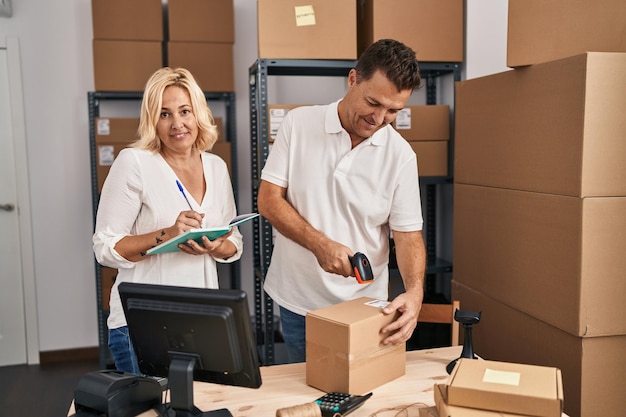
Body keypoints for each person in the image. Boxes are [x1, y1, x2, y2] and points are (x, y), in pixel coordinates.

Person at [258, 39, 426, 363]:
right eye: (373, 103)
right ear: (353, 79)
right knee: (303, 399)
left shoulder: (401, 156)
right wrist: (319, 243)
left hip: (364, 306)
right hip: (298, 301)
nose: (379, 118)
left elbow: (408, 237)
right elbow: (268, 200)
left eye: (393, 110)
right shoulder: (299, 124)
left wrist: (415, 292)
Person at [93, 67, 243, 373]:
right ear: (153, 121)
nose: (177, 124)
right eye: (164, 114)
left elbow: (234, 244)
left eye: (184, 111)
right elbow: (104, 247)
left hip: (202, 320)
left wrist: (215, 246)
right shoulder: (134, 162)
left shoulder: (216, 166)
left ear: (198, 114)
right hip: (143, 323)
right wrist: (168, 234)